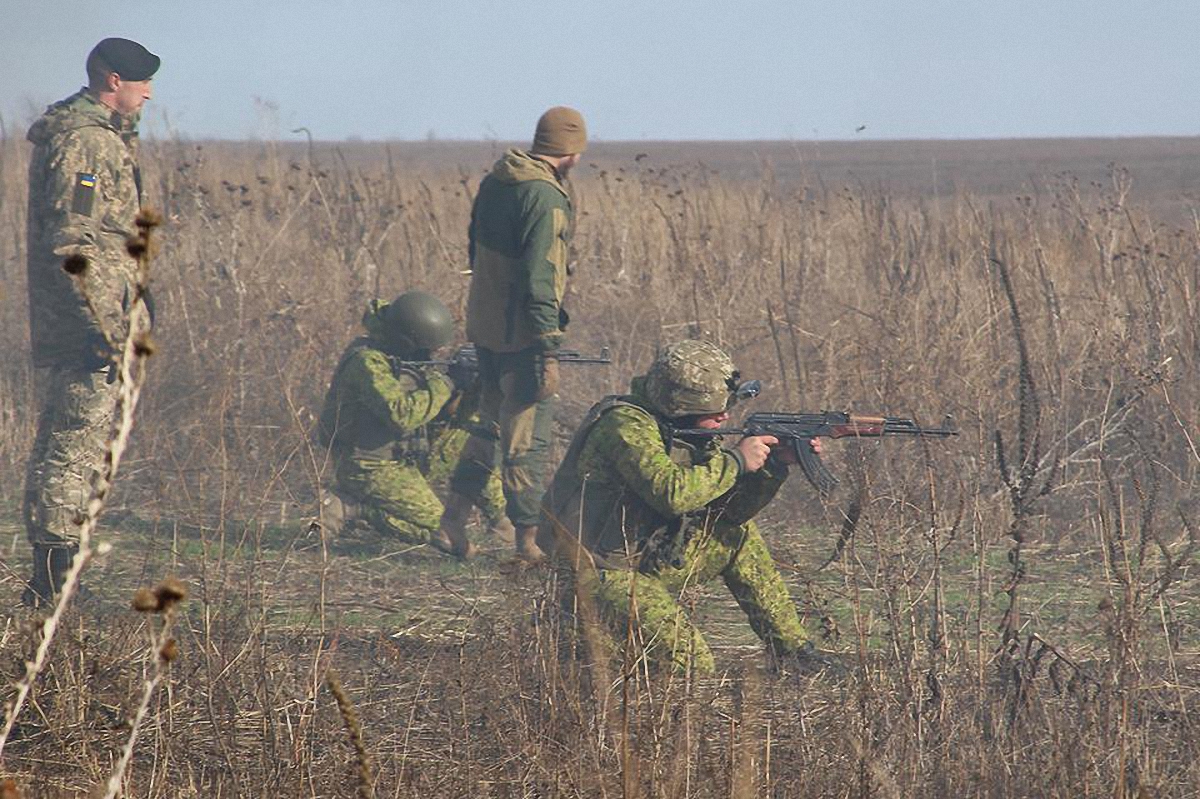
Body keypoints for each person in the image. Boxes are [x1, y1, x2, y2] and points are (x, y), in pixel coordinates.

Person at [539, 340, 843, 675]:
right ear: (682, 405)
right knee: (692, 664)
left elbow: (727, 513)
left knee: (737, 535)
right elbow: (671, 494)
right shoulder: (624, 425)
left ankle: (793, 653)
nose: (725, 416)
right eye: (715, 412)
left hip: (645, 559)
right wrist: (737, 461)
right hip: (598, 574)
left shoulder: (684, 429)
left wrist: (773, 467)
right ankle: (580, 646)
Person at [22, 38, 160, 606]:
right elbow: (74, 243)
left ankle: (54, 578)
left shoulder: (103, 139)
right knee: (71, 446)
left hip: (98, 322)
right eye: (139, 81)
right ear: (110, 80)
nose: (148, 91)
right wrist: (103, 325)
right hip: (88, 331)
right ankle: (51, 582)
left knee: (76, 443)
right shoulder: (85, 144)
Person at [438, 106, 587, 562]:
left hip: (485, 329)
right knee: (527, 438)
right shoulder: (544, 198)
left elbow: (474, 250)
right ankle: (527, 542)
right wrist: (547, 344)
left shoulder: (496, 182)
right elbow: (542, 276)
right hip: (522, 337)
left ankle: (452, 522)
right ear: (571, 151)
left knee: (486, 427)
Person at [317, 292, 510, 555]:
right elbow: (403, 414)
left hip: (407, 457)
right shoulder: (366, 362)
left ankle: (503, 519)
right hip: (368, 466)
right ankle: (356, 508)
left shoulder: (405, 358)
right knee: (450, 535)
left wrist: (472, 380)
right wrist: (449, 380)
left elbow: (440, 411)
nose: (431, 354)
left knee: (472, 439)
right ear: (407, 342)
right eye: (427, 349)